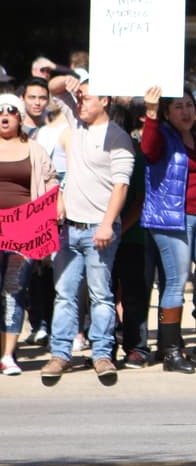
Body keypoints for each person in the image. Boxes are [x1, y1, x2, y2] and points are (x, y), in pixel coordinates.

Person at [42, 79, 133, 384]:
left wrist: (107, 223)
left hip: (99, 230)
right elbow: (54, 88)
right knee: (64, 294)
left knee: (101, 295)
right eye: (78, 97)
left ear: (105, 100)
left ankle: (102, 354)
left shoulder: (118, 137)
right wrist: (66, 79)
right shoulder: (77, 123)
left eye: (87, 98)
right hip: (69, 229)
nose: (80, 102)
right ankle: (60, 354)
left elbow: (121, 186)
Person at [140, 86, 196, 374]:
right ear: (167, 112)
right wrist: (151, 113)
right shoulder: (161, 135)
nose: (186, 111)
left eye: (189, 105)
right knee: (176, 284)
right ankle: (171, 352)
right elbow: (148, 150)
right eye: (178, 106)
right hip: (171, 220)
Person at [0, 93, 57, 375]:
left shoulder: (34, 149)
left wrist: (50, 217)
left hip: (23, 229)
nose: (4, 115)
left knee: (14, 290)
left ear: (20, 117)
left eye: (11, 110)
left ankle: (8, 355)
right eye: (0, 110)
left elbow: (51, 181)